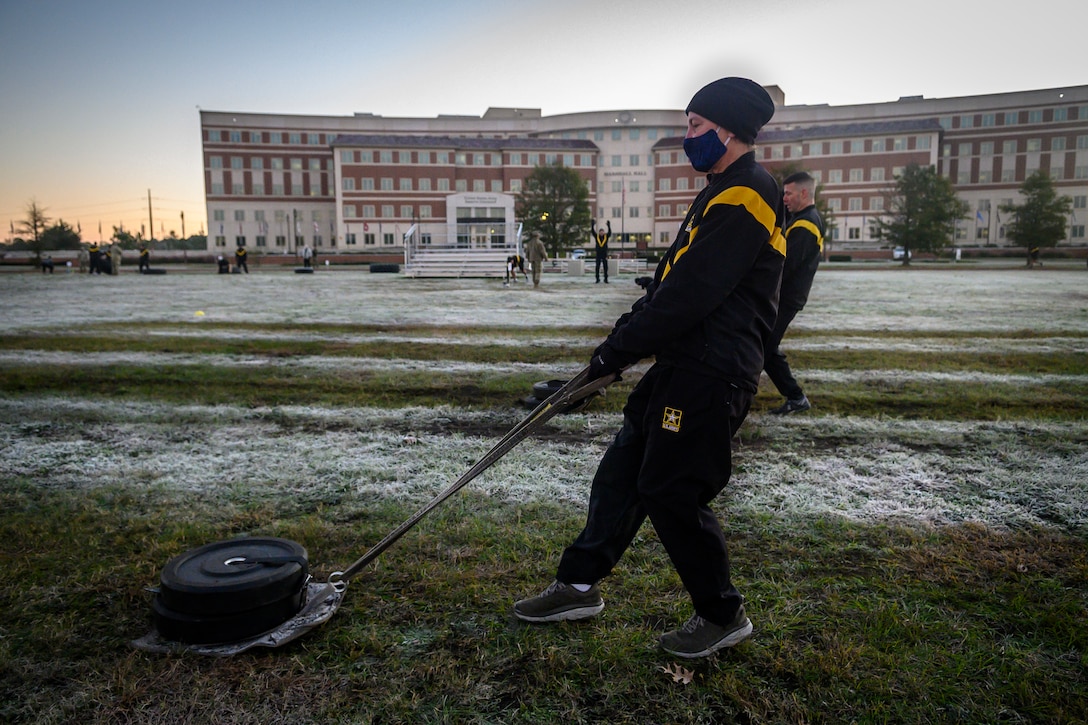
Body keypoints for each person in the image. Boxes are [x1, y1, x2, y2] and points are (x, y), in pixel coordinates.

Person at [513, 77, 784, 659]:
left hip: (712, 371)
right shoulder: (718, 191)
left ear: (729, 130)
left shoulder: (748, 194)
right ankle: (578, 586)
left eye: (694, 127)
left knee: (671, 489)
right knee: (622, 472)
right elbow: (665, 286)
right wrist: (607, 355)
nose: (686, 138)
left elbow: (691, 294)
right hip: (682, 363)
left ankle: (721, 614)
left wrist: (617, 355)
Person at [765, 171, 825, 415]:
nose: (784, 198)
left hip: (786, 298)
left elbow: (786, 265)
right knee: (765, 346)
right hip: (787, 297)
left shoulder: (805, 224)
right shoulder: (802, 219)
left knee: (765, 347)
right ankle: (795, 397)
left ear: (803, 193)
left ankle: (796, 397)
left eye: (788, 193)